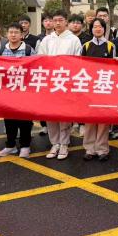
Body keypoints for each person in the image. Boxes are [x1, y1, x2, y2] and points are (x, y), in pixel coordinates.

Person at [37, 10, 83, 160]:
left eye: (60, 20)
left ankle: (64, 143)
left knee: (64, 114)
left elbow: (78, 61)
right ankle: (54, 143)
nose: (57, 23)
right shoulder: (47, 40)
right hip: (49, 82)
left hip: (65, 82)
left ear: (66, 22)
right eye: (55, 20)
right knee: (50, 114)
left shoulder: (74, 40)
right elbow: (41, 59)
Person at [0, 23, 36, 158]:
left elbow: (36, 67)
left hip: (24, 91)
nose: (13, 35)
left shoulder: (28, 50)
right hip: (8, 91)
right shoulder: (2, 50)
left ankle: (25, 146)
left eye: (16, 32)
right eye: (11, 32)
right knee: (9, 120)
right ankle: (10, 145)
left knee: (25, 120)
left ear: (21, 35)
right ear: (7, 34)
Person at [81, 18, 115, 161]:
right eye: (95, 27)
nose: (97, 29)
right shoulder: (86, 46)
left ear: (104, 29)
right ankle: (89, 149)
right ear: (91, 29)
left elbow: (115, 68)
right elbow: (81, 67)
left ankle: (102, 149)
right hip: (89, 88)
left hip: (104, 87)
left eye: (100, 26)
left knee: (103, 120)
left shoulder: (110, 46)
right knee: (89, 119)